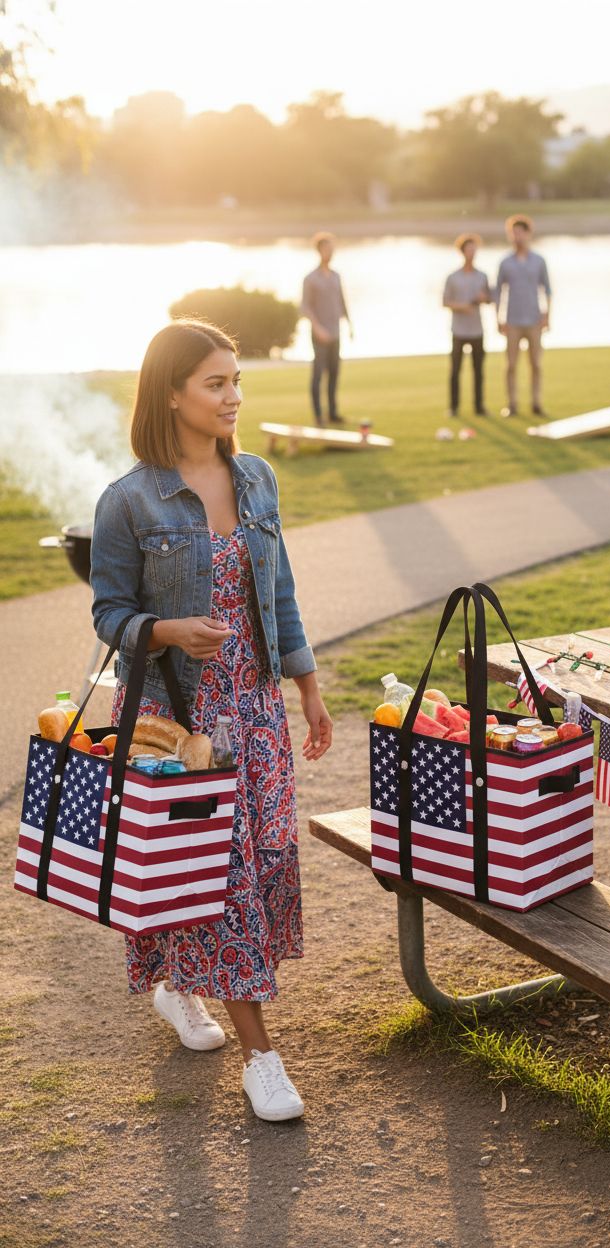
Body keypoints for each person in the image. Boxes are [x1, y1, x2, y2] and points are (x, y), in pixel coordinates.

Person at [90, 319, 332, 1122]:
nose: (234, 397)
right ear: (171, 394)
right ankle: (263, 1057)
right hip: (176, 719)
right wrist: (165, 630)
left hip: (254, 709)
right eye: (216, 383)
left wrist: (307, 686)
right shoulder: (128, 500)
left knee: (251, 864)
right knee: (215, 875)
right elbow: (109, 614)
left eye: (236, 381)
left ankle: (177, 986)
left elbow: (280, 590)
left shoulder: (257, 477)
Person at [494, 215, 552, 418]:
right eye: (513, 233)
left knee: (536, 365)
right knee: (511, 365)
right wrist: (498, 319)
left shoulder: (539, 261)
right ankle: (512, 404)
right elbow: (498, 292)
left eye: (519, 232)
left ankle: (536, 403)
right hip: (512, 321)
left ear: (528, 234)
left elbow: (547, 290)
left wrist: (547, 316)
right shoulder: (505, 262)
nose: (516, 236)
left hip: (535, 320)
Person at [299, 232, 352, 426]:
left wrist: (350, 325)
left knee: (334, 374)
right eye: (327, 248)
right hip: (319, 334)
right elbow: (305, 307)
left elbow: (342, 301)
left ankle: (333, 413)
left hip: (336, 332)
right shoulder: (311, 278)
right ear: (319, 250)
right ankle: (318, 416)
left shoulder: (336, 276)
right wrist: (317, 328)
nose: (330, 252)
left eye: (332, 249)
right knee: (318, 375)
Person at [442, 233, 492, 418]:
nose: (472, 253)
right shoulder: (453, 277)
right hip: (459, 330)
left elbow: (489, 298)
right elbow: (445, 302)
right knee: (455, 370)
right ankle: (453, 407)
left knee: (479, 371)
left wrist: (484, 298)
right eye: (469, 249)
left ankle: (479, 407)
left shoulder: (482, 276)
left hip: (477, 330)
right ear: (462, 252)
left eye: (474, 249)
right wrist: (462, 306)